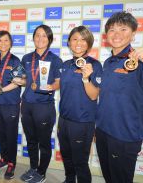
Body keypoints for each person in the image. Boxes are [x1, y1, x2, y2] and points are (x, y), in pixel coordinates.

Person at [95, 11, 143, 183]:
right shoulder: (108, 62)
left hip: (124, 136)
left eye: (123, 29)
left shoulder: (142, 61)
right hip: (103, 131)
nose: (117, 34)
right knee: (109, 177)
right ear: (106, 35)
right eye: (112, 30)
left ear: (133, 34)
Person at [13, 24, 63, 183]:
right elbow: (25, 79)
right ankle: (33, 167)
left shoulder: (55, 60)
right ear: (33, 38)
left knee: (44, 142)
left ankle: (41, 173)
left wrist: (52, 87)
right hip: (27, 104)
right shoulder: (27, 58)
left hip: (44, 106)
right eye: (37, 35)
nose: (40, 39)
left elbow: (58, 82)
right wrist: (17, 80)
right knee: (31, 140)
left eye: (44, 36)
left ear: (49, 39)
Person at [58, 26, 102, 183]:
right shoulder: (66, 64)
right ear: (69, 42)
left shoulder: (94, 65)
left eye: (83, 39)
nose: (78, 43)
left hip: (82, 122)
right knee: (67, 157)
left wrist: (86, 77)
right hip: (63, 120)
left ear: (89, 43)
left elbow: (93, 95)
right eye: (75, 39)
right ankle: (69, 179)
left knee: (80, 162)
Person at [0, 31, 21, 180]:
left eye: (6, 40)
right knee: (1, 134)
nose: (3, 43)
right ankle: (4, 158)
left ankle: (12, 162)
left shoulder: (15, 60)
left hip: (11, 103)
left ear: (10, 42)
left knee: (11, 135)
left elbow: (17, 82)